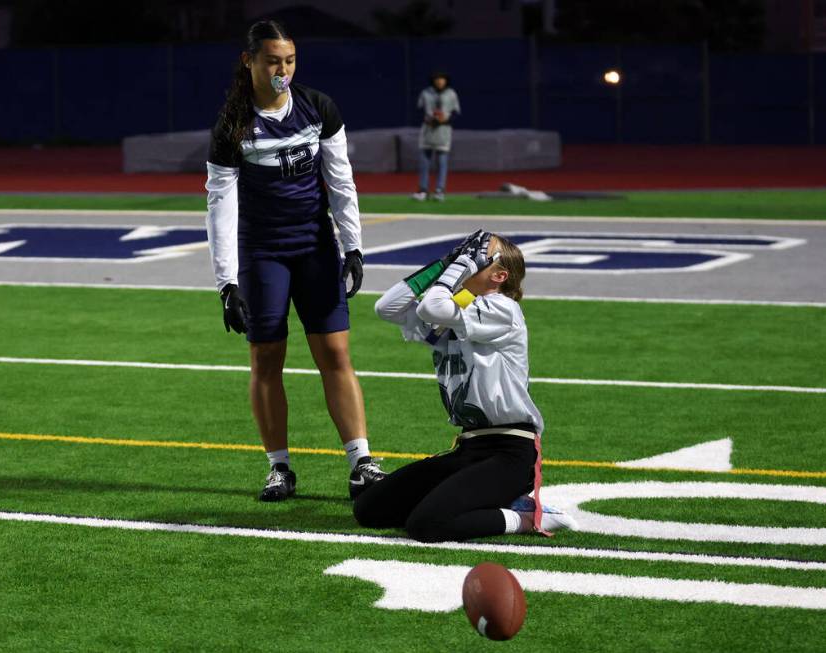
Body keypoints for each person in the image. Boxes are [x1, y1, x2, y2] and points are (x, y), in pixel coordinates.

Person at [204, 20, 386, 503]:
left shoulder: (318, 107)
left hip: (314, 247)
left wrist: (353, 246)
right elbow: (220, 203)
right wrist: (226, 282)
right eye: (272, 61)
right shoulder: (233, 124)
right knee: (267, 359)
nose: (282, 70)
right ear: (250, 62)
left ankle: (361, 462)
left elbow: (341, 181)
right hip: (262, 253)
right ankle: (279, 468)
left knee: (335, 354)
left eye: (290, 60)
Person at [353, 230, 577, 543]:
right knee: (370, 508)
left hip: (509, 452)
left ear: (499, 275)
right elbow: (386, 307)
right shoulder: (457, 309)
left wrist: (459, 266)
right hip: (470, 447)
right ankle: (484, 500)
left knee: (426, 526)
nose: (470, 256)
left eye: (480, 255)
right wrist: (444, 263)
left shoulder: (502, 308)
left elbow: (432, 308)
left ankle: (526, 517)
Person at [413, 71, 460, 202]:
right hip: (428, 131)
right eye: (437, 79)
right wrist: (427, 119)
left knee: (442, 163)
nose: (440, 81)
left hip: (443, 132)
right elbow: (418, 110)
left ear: (446, 80)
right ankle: (423, 190)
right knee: (424, 163)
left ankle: (439, 190)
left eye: (442, 79)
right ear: (433, 80)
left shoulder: (451, 94)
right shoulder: (426, 93)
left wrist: (445, 120)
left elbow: (456, 113)